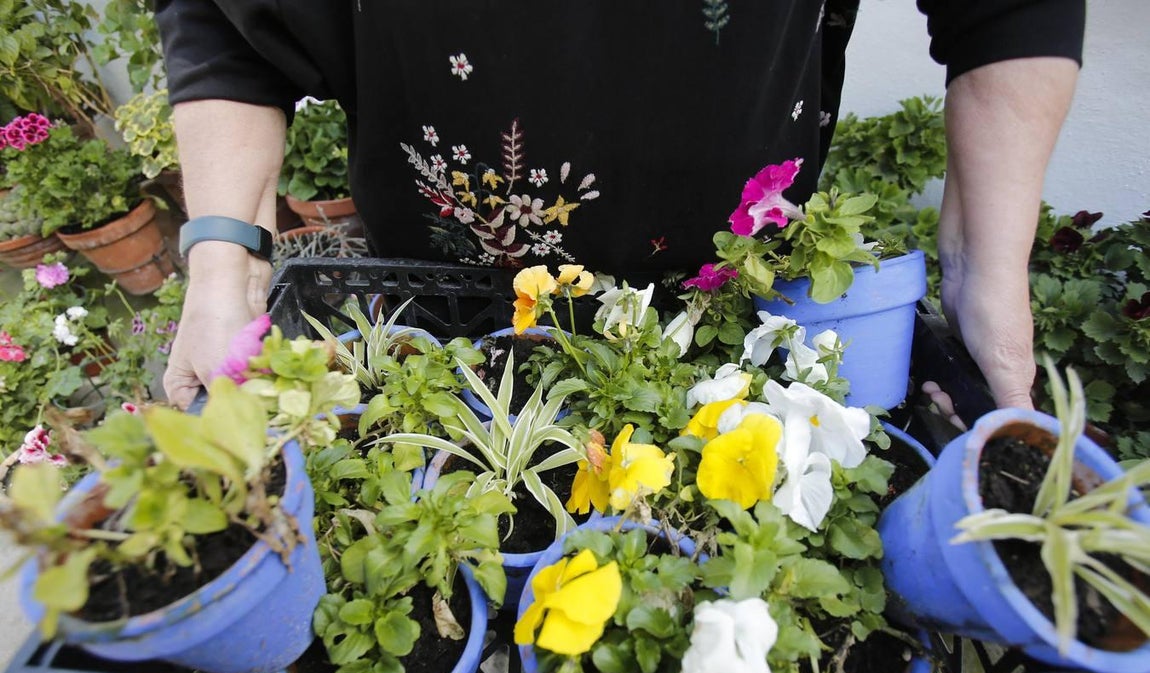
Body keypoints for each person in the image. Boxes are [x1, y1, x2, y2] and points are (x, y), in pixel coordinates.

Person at [153, 1, 1085, 413]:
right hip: (449, 301)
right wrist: (222, 262)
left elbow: (1008, 7)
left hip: (735, 296)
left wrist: (988, 274)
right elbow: (232, 27)